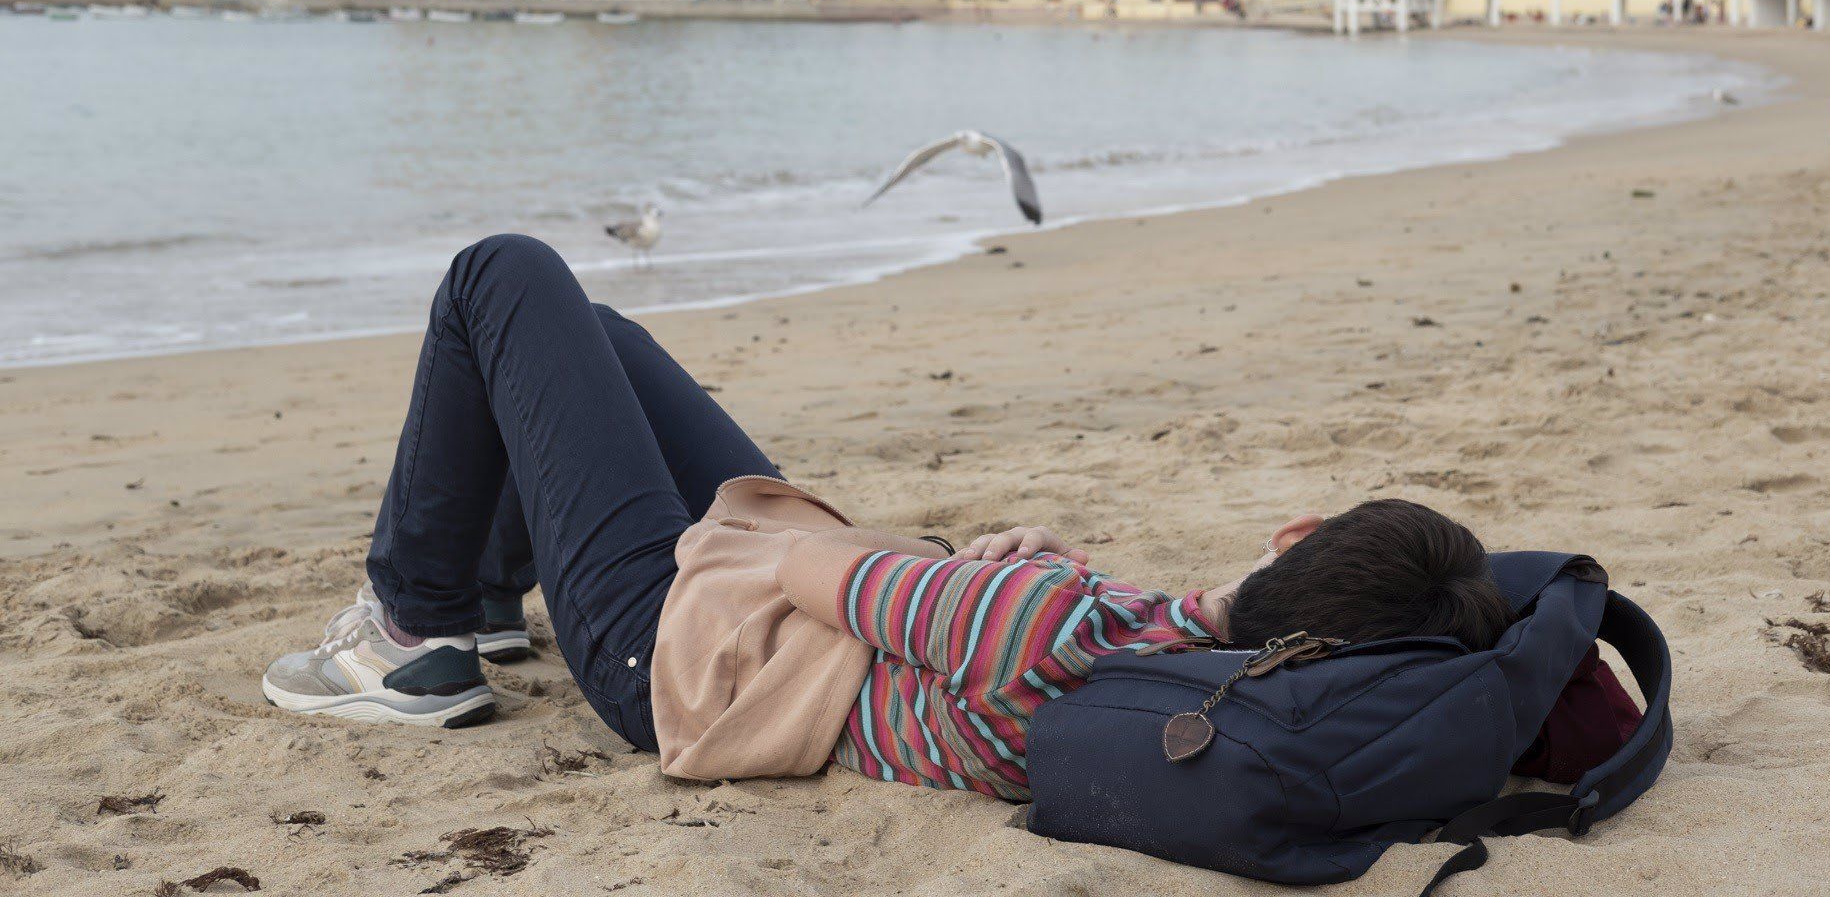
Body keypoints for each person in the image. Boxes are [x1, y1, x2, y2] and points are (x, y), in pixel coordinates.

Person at [263, 235, 1510, 800]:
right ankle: (486, 598)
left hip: (683, 653)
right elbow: (982, 626)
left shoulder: (1048, 625)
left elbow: (805, 564)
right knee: (596, 343)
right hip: (811, 629)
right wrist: (1003, 573)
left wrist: (948, 578)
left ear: (1298, 535)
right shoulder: (1204, 657)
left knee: (504, 274)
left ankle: (410, 629)